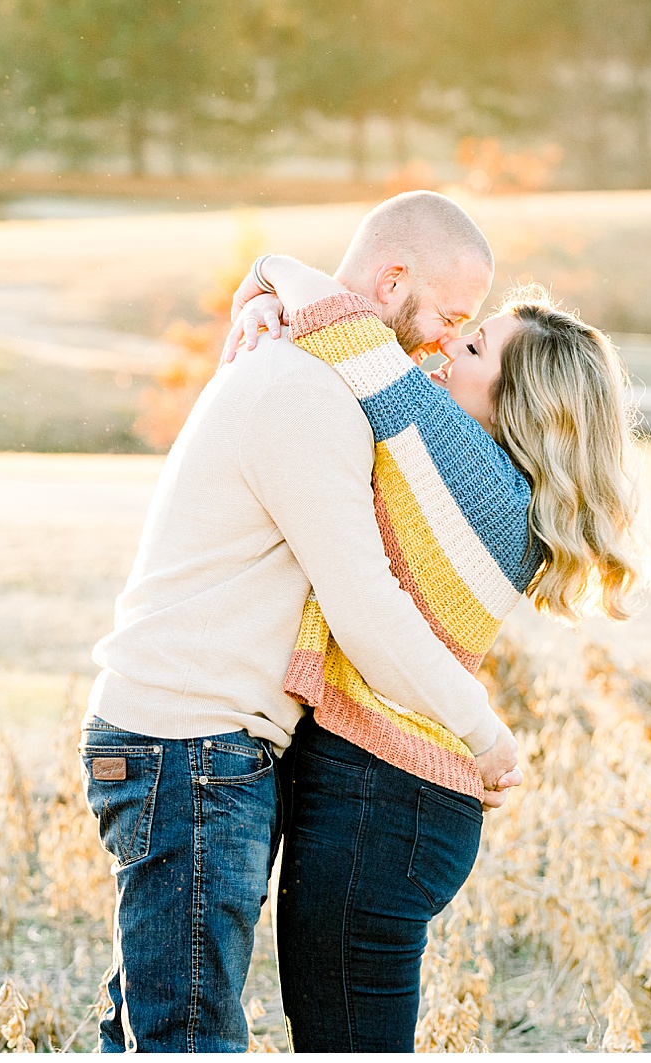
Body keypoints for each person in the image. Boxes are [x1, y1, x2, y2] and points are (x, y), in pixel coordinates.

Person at [79, 191, 525, 1053]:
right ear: (392, 279)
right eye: (449, 316)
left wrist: (272, 278)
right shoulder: (306, 393)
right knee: (186, 1039)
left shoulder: (310, 368)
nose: (443, 341)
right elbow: (365, 606)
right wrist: (484, 735)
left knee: (152, 1030)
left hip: (192, 745)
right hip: (191, 749)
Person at [225, 250, 651, 1052]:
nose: (445, 349)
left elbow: (345, 323)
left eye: (474, 347)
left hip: (382, 805)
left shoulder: (467, 464)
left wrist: (266, 273)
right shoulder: (492, 484)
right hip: (395, 804)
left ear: (523, 405)